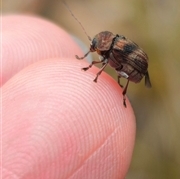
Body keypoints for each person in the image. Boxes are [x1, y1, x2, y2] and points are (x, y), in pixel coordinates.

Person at [2, 14, 136, 179]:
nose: (92, 48)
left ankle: (122, 94)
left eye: (94, 46)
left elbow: (106, 62)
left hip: (136, 67)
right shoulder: (110, 47)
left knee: (123, 74)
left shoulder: (115, 48)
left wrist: (94, 71)